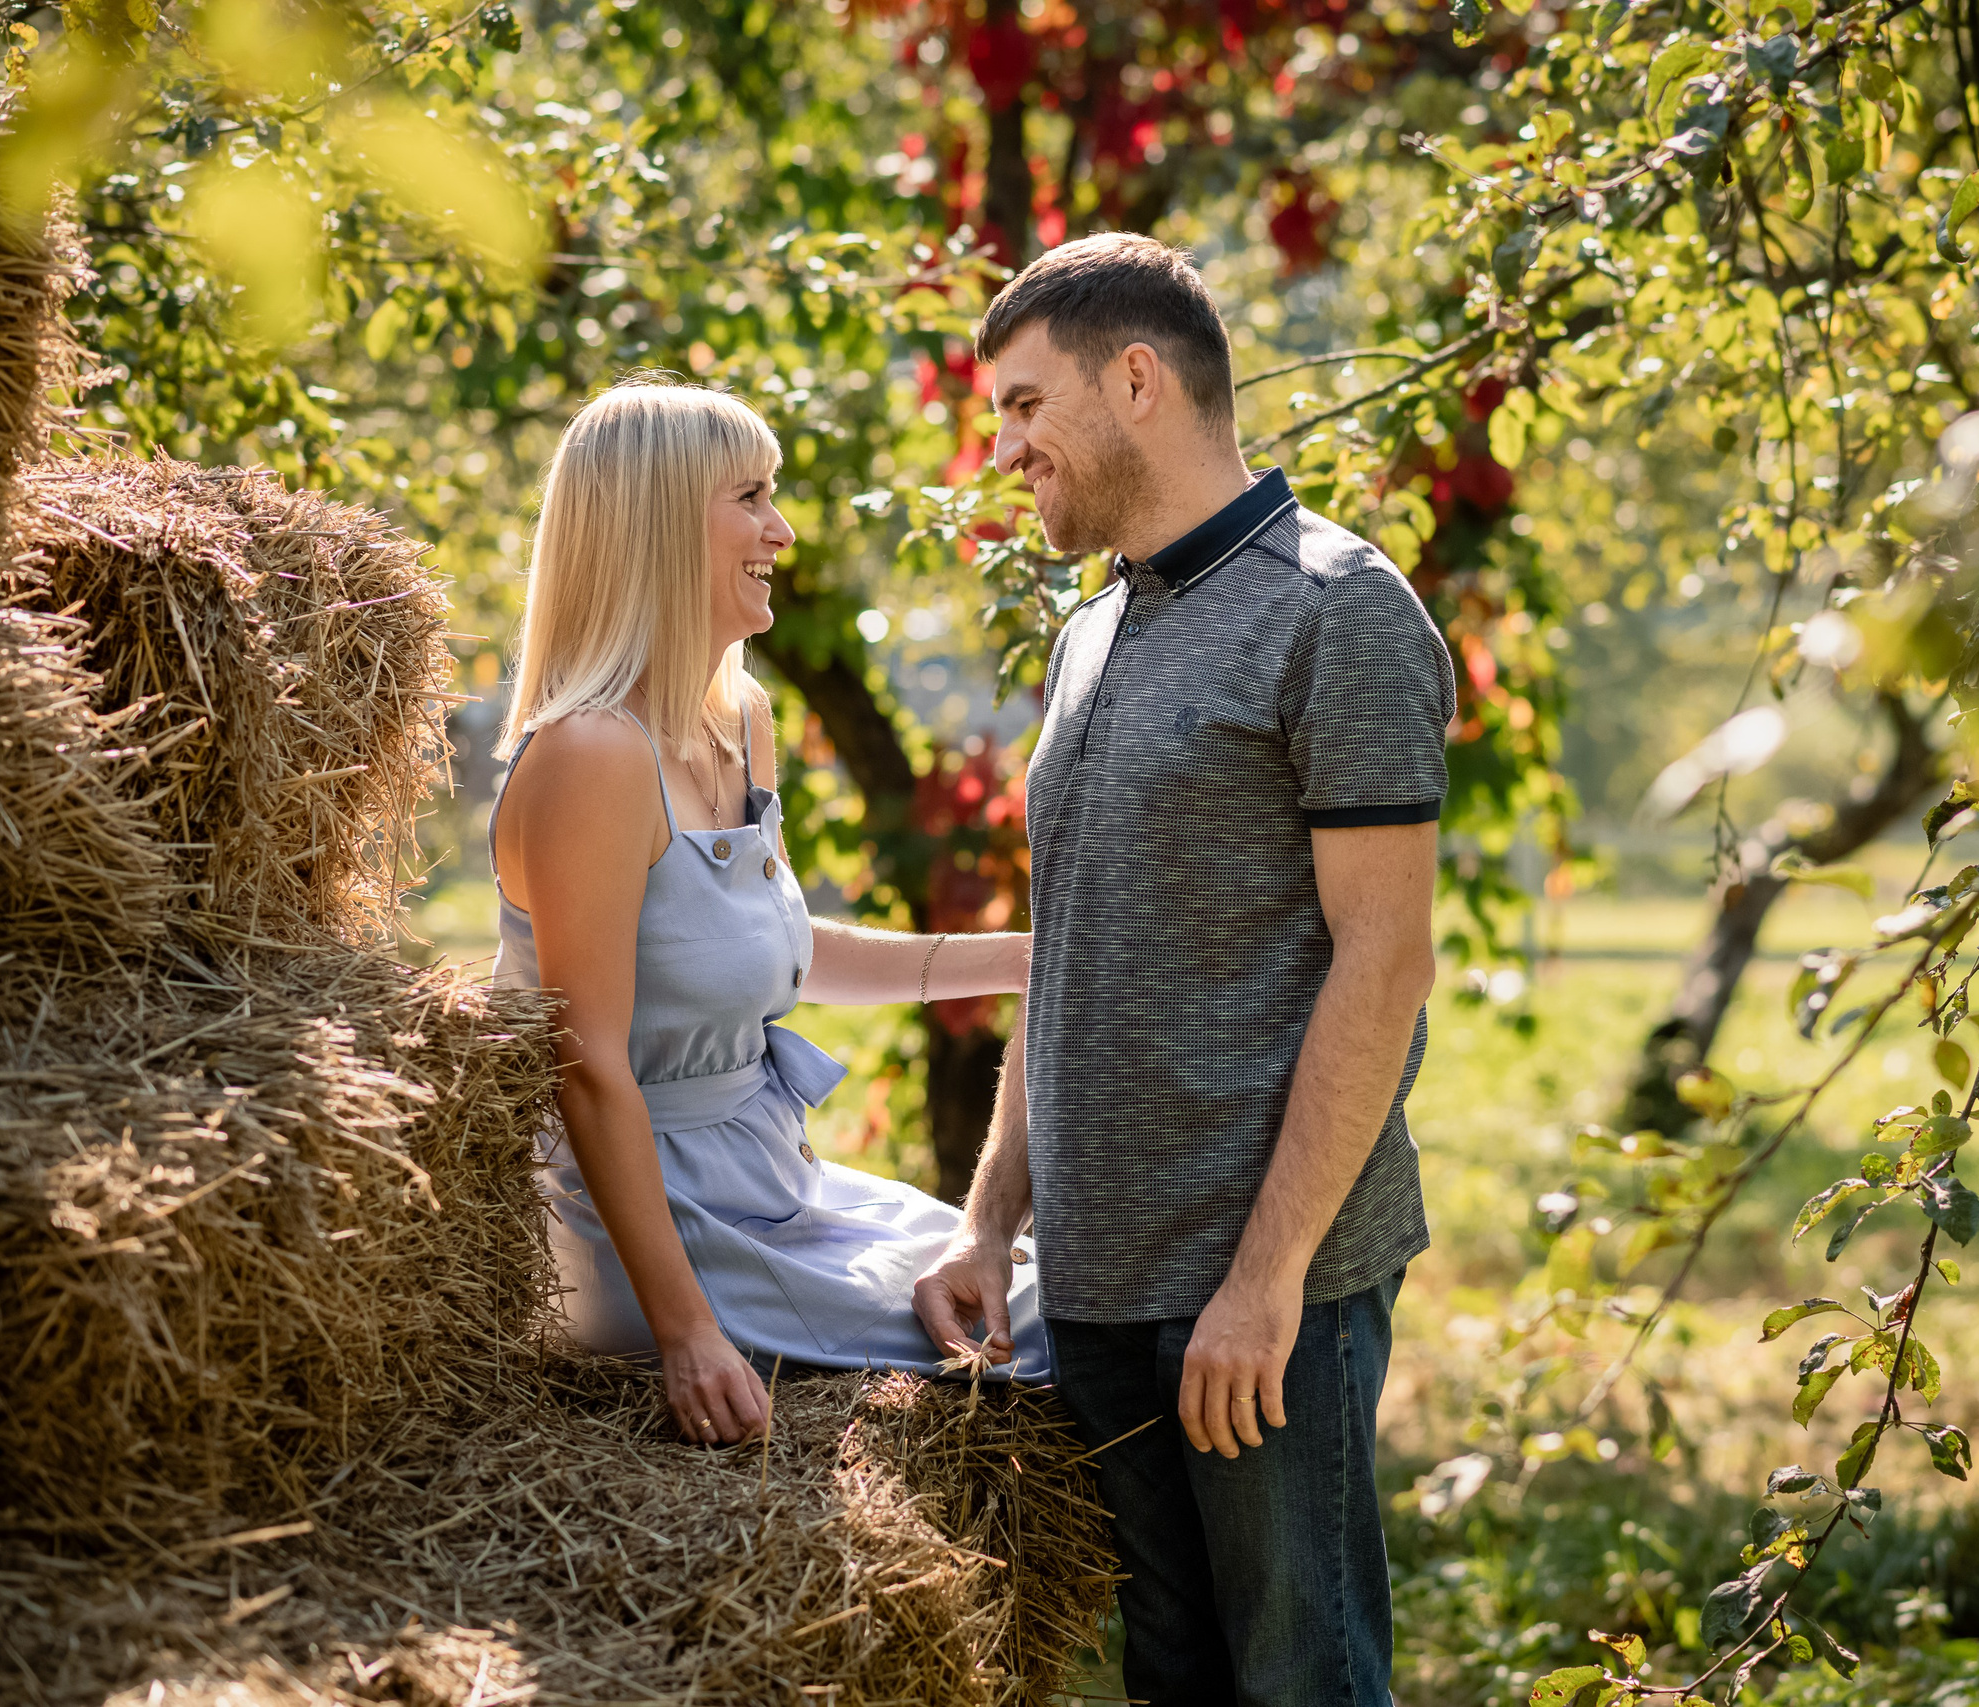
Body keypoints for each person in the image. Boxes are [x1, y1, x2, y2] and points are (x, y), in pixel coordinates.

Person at [912, 235, 1455, 1707]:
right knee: (1173, 1677)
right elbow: (1065, 953)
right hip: (1095, 1283)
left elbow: (1386, 958)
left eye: (1026, 405)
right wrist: (989, 1223)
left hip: (1261, 1289)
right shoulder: (1090, 626)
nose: (1005, 447)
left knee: (1302, 1679)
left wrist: (1266, 1280)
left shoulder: (1331, 609)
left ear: (1135, 379)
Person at [490, 377, 1049, 1449]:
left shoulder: (738, 719)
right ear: (655, 527)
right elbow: (586, 1063)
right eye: (749, 497)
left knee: (1060, 1275)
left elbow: (784, 952)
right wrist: (688, 1333)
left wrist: (1023, 957)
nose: (780, 531)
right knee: (1058, 1328)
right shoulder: (591, 758)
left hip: (771, 1185)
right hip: (649, 1222)